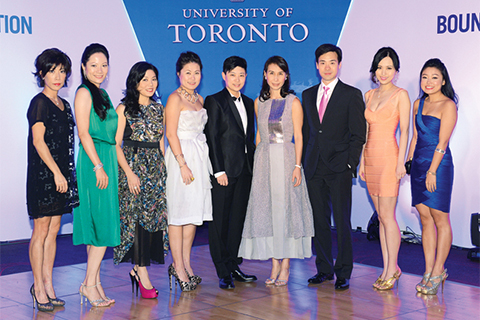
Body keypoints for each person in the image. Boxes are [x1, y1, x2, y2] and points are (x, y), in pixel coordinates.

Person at [239, 56, 314, 286]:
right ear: (264, 75)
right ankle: (273, 262)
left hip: (287, 158)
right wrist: (256, 164)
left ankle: (286, 265)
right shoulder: (257, 102)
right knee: (268, 212)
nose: (275, 78)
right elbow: (258, 136)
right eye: (271, 73)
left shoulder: (293, 102)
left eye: (280, 73)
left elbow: (300, 137)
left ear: (286, 76)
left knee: (286, 212)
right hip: (264, 161)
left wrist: (297, 166)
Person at [302, 43, 366, 290]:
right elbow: (308, 133)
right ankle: (324, 269)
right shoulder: (307, 95)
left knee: (342, 221)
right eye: (322, 62)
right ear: (317, 65)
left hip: (339, 167)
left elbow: (358, 134)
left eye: (332, 62)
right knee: (319, 222)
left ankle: (344, 271)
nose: (327, 67)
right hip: (314, 167)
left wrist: (350, 164)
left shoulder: (351, 94)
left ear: (339, 65)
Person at [27, 48, 79, 312]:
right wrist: (57, 172)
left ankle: (48, 285)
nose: (58, 76)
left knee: (54, 230)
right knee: (41, 230)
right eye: (52, 71)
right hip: (43, 176)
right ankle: (38, 287)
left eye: (62, 71)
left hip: (62, 176)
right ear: (41, 74)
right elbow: (38, 141)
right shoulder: (39, 103)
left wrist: (67, 174)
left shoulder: (65, 104)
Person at [113, 62, 167, 299]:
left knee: (152, 220)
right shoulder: (124, 108)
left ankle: (139, 269)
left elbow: (161, 141)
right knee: (136, 221)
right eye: (144, 79)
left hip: (155, 169)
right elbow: (116, 144)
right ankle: (142, 274)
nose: (150, 84)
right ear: (134, 82)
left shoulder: (158, 108)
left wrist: (166, 170)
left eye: (153, 79)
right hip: (133, 169)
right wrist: (128, 173)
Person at [358, 47, 410, 290]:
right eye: (380, 67)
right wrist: (361, 160)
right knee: (381, 218)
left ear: (396, 71)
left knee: (388, 217)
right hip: (370, 157)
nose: (383, 72)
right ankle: (388, 267)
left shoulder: (401, 95)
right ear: (374, 70)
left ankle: (393, 268)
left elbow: (407, 131)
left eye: (389, 67)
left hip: (390, 157)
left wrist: (401, 162)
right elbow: (366, 132)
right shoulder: (368, 95)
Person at [204, 56, 257, 290]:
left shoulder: (248, 101)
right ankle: (222, 270)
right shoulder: (214, 101)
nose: (237, 79)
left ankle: (234, 265)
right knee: (220, 223)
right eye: (233, 75)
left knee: (237, 221)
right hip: (223, 172)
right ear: (224, 76)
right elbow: (212, 137)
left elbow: (249, 139)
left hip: (245, 171)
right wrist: (218, 170)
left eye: (241, 75)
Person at [73, 43, 119, 307]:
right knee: (101, 226)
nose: (100, 70)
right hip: (94, 162)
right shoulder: (83, 93)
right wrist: (98, 166)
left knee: (98, 225)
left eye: (104, 65)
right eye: (94, 65)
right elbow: (83, 133)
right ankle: (88, 284)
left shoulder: (102, 94)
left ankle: (96, 282)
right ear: (83, 67)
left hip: (107, 158)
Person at [406, 58, 457, 295]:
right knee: (424, 218)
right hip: (418, 165)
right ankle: (427, 270)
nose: (428, 82)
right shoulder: (417, 103)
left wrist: (432, 171)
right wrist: (408, 162)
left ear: (443, 80)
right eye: (425, 77)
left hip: (439, 166)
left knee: (439, 218)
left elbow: (443, 142)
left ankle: (439, 271)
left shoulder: (448, 105)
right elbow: (415, 138)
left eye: (434, 77)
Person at [165, 51, 212, 292]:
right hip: (180, 159)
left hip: (199, 158)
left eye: (196, 73)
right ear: (178, 74)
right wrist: (182, 163)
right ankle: (177, 266)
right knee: (178, 215)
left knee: (193, 214)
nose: (192, 77)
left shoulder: (200, 99)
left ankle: (186, 264)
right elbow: (171, 133)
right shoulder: (174, 99)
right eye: (187, 73)